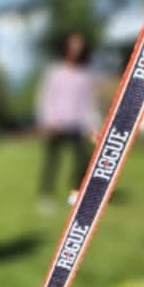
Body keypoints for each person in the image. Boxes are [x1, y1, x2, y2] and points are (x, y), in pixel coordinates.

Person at [36, 31, 99, 211]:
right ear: (66, 47)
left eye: (79, 46)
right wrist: (48, 120)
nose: (76, 49)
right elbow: (46, 96)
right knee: (52, 161)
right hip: (56, 124)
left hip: (77, 125)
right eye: (73, 45)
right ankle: (46, 195)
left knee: (82, 159)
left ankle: (76, 194)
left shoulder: (85, 74)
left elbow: (88, 103)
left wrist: (92, 126)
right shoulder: (55, 71)